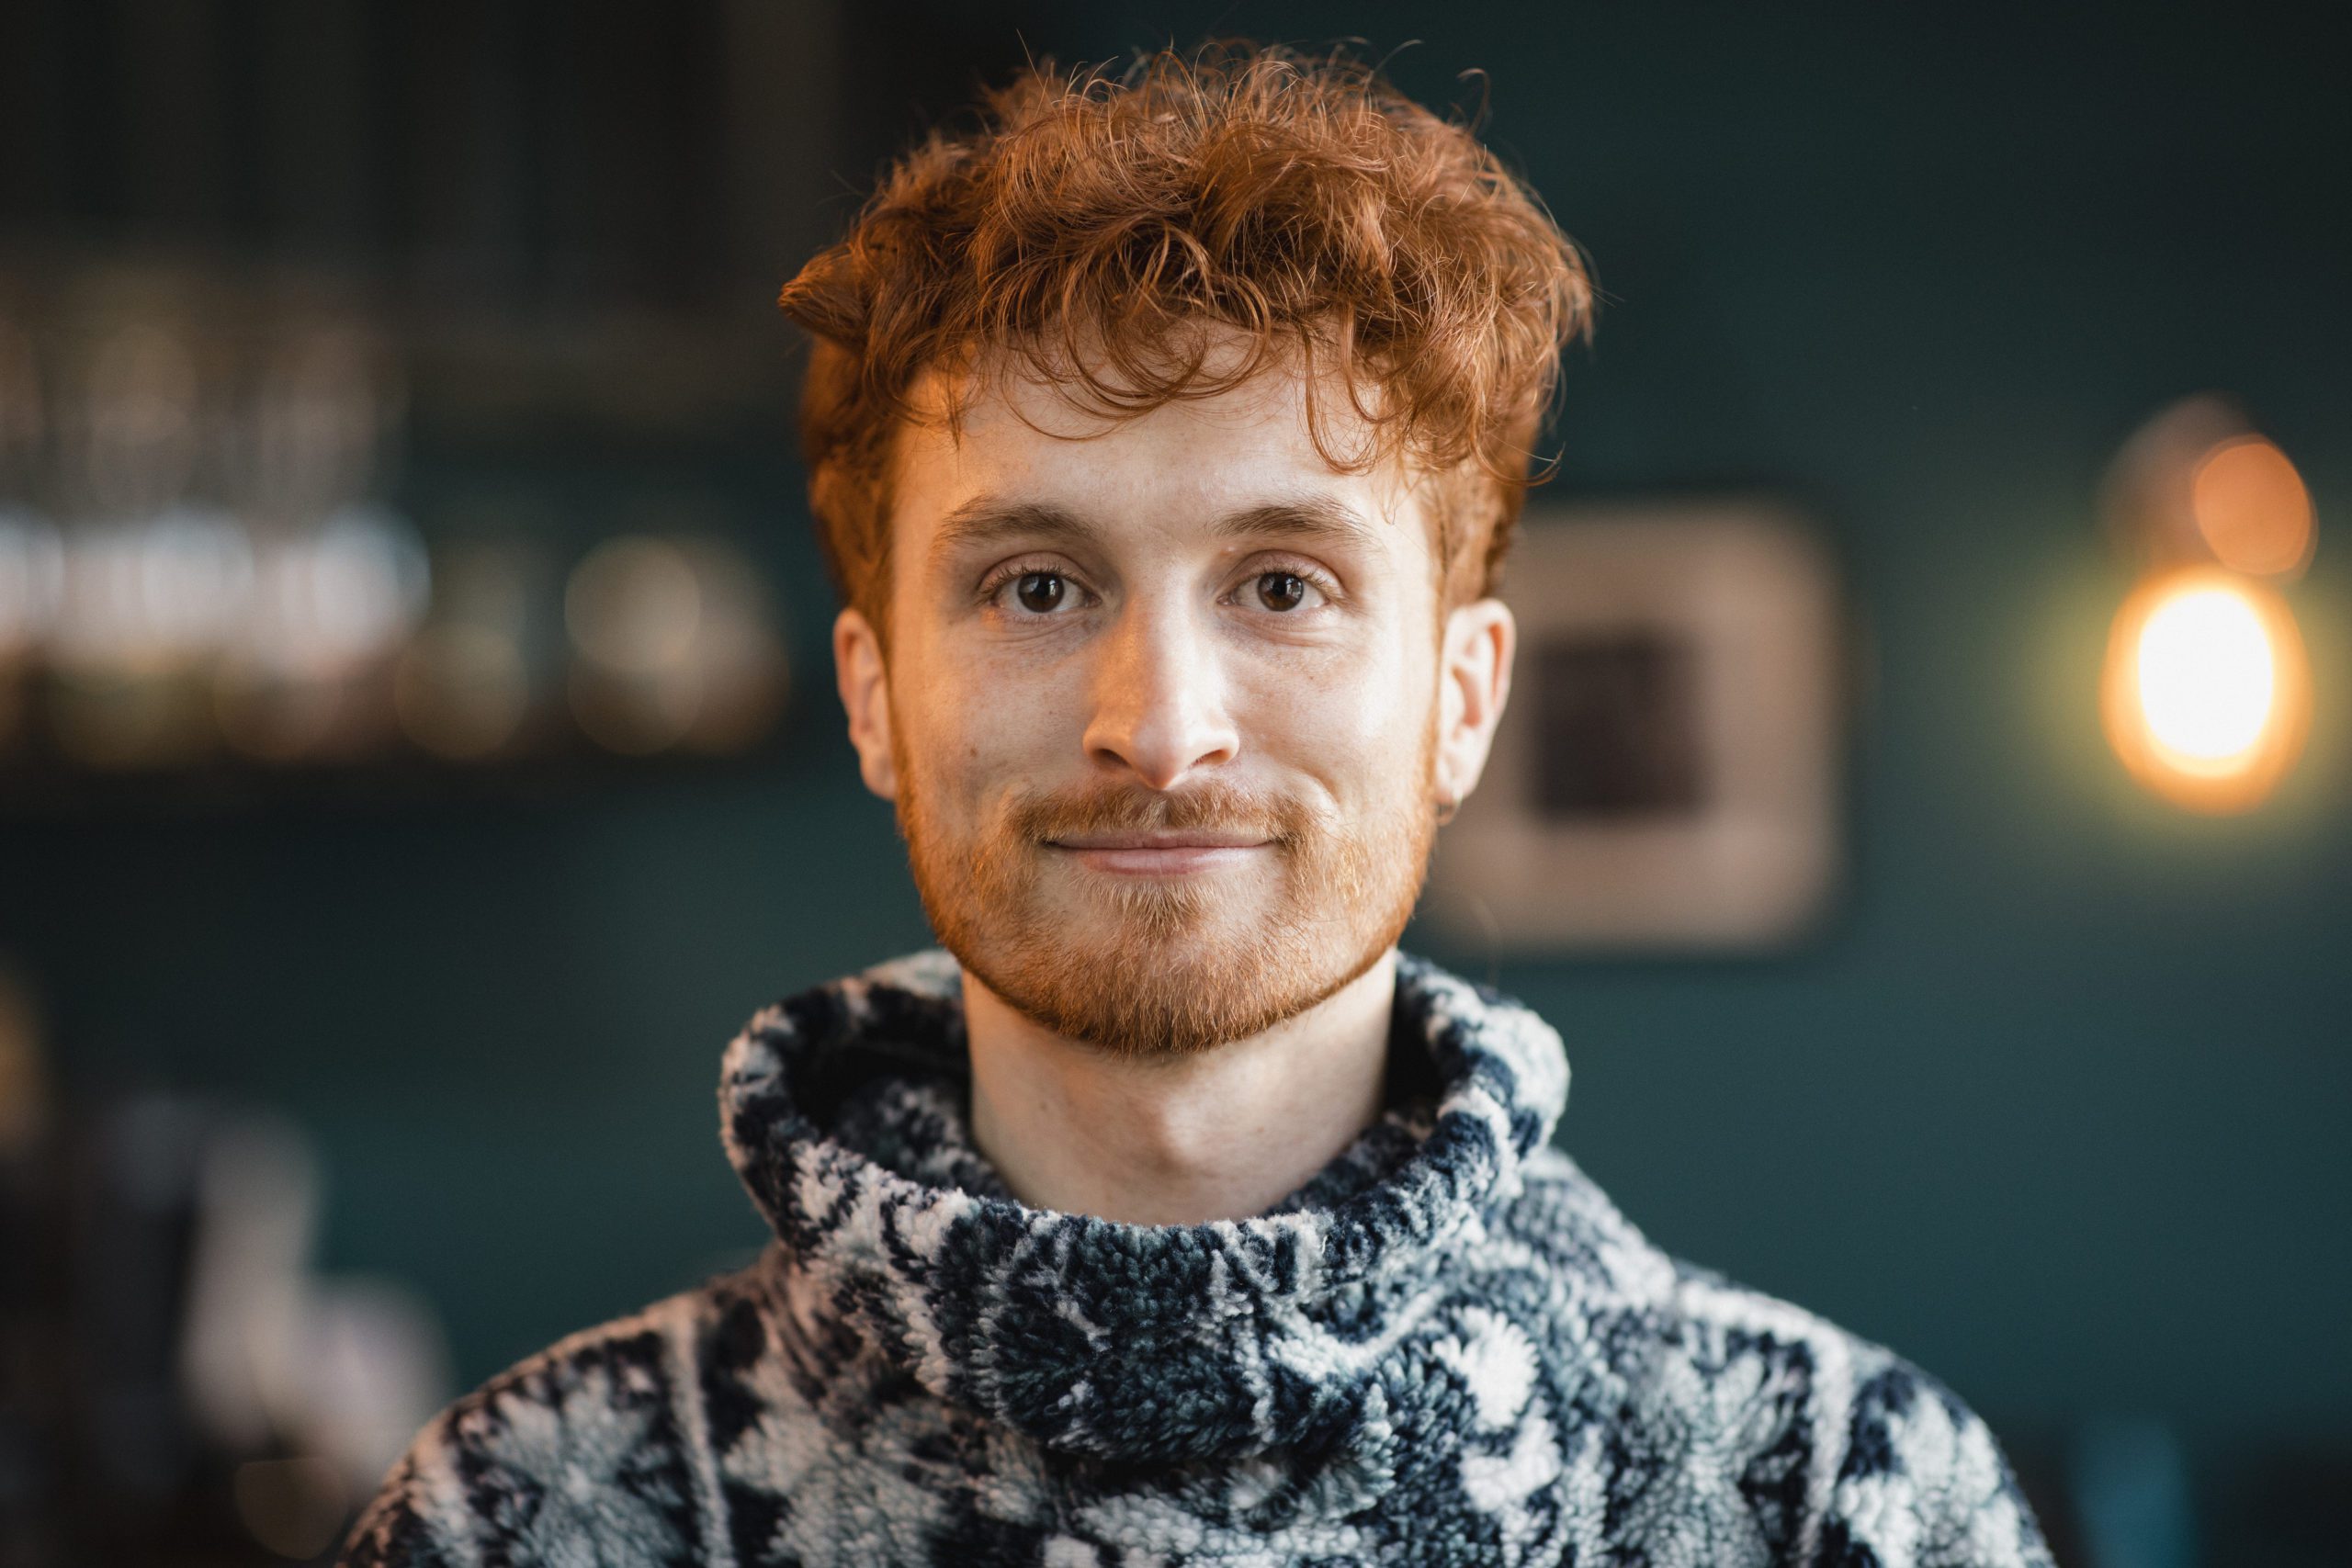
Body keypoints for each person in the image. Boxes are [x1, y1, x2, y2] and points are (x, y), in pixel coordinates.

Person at [343, 44, 2053, 1568]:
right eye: (1032, 588)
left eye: (1285, 585)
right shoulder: (525, 1520)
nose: (1160, 731)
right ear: (874, 697)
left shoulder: (1842, 1506)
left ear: (1464, 699)